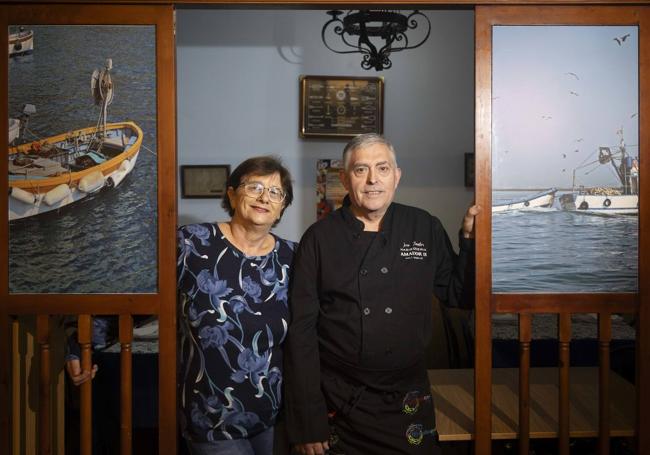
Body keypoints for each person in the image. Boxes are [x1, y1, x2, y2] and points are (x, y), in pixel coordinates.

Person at [284, 134, 480, 455]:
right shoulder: (319, 239)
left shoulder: (423, 227)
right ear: (346, 180)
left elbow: (459, 296)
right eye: (361, 170)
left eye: (383, 168)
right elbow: (301, 335)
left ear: (397, 176)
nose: (373, 179)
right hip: (340, 398)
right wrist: (307, 422)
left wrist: (470, 238)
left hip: (408, 394)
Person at [177, 156, 296, 455]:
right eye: (254, 186)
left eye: (274, 192)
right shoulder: (192, 243)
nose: (263, 198)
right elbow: (143, 289)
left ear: (282, 206)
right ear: (231, 194)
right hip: (210, 418)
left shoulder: (294, 258)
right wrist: (87, 339)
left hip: (274, 416)